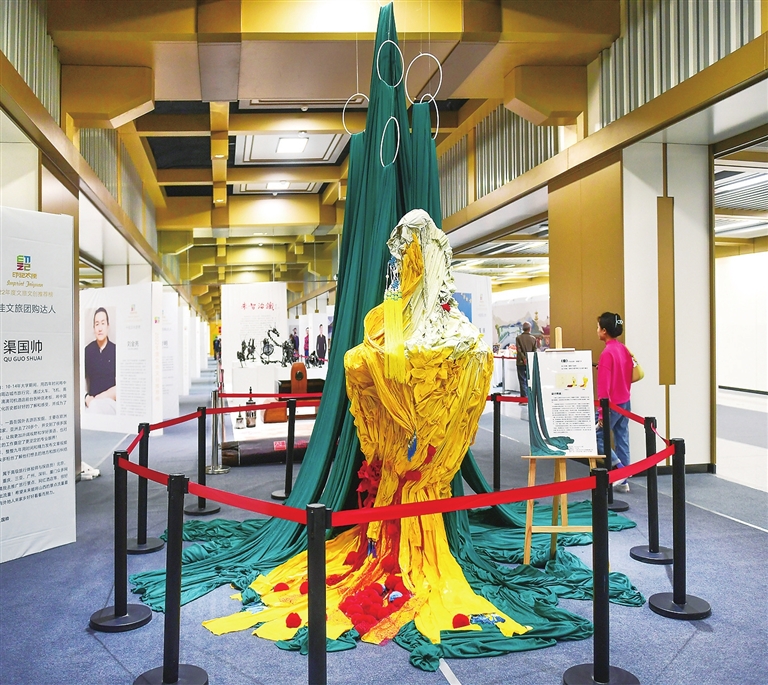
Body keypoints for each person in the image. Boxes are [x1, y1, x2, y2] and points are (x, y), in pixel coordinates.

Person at [595, 311, 633, 492]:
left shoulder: (607, 353)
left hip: (612, 405)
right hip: (625, 401)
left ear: (604, 331)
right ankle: (624, 481)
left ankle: (620, 471)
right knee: (621, 437)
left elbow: (603, 388)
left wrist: (602, 414)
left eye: (598, 327)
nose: (597, 330)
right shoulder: (623, 349)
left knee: (597, 437)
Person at [84, 307, 117, 414]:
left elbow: (123, 385)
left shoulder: (115, 350)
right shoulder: (88, 351)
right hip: (92, 404)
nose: (100, 328)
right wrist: (87, 398)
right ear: (94, 327)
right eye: (97, 324)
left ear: (108, 326)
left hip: (111, 402)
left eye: (103, 323)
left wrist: (105, 395)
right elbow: (79, 381)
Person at [514, 322, 538, 398]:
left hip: (520, 362)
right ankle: (530, 396)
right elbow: (535, 351)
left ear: (523, 329)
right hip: (530, 362)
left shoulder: (518, 338)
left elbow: (519, 350)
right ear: (530, 329)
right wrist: (528, 359)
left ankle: (523, 397)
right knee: (529, 380)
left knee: (522, 380)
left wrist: (524, 358)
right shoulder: (533, 339)